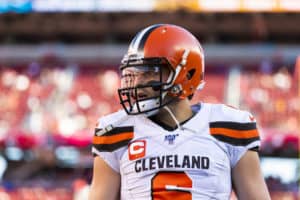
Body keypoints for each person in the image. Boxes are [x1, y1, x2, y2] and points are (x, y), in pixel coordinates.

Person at [89, 24, 271, 200]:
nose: (137, 84)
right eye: (134, 75)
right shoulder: (115, 131)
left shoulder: (229, 126)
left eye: (149, 73)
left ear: (186, 74)